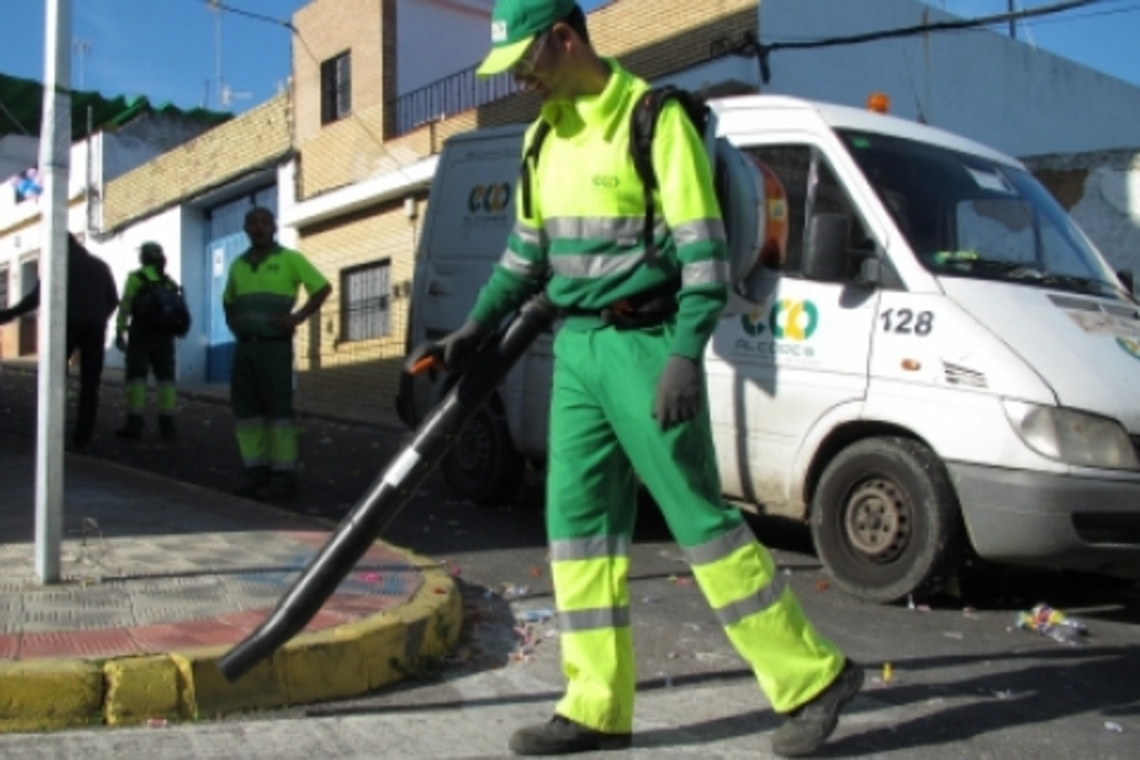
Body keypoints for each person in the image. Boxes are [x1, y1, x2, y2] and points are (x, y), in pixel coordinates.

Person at [406, 2, 863, 757]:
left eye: (528, 59)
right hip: (577, 354)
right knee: (578, 536)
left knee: (700, 526)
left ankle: (814, 679)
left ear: (564, 37)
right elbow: (525, 259)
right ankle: (594, 705)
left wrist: (686, 353)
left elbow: (704, 254)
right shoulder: (541, 138)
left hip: (649, 346)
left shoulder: (654, 120)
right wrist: (473, 327)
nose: (521, 78)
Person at [223, 207, 331, 501]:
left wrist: (298, 317)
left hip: (274, 349)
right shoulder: (238, 265)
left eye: (264, 222)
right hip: (245, 348)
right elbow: (228, 300)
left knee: (278, 413)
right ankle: (255, 474)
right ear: (245, 228)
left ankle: (284, 477)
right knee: (247, 414)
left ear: (274, 227)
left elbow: (322, 287)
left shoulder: (289, 259)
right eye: (253, 222)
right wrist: (234, 324)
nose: (258, 228)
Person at [0, 233, 119, 450]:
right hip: (95, 327)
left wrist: (9, 314)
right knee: (90, 383)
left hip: (65, 325)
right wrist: (99, 317)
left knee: (55, 379)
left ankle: (53, 429)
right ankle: (83, 435)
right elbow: (113, 299)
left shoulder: (59, 265)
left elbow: (36, 298)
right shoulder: (100, 266)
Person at [113, 241, 180, 440]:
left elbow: (125, 306)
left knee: (137, 379)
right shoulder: (168, 282)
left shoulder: (136, 278)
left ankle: (135, 424)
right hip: (164, 338)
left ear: (143, 257)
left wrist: (120, 330)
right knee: (166, 380)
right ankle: (167, 425)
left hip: (140, 335)